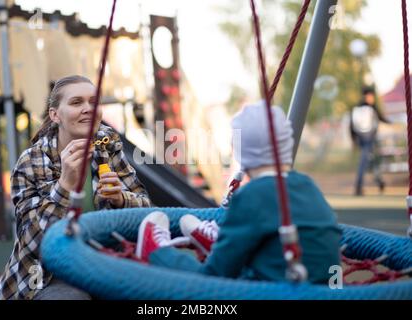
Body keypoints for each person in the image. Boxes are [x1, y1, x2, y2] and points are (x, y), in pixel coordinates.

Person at [136, 101, 342, 284]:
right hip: (322, 287)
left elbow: (218, 273)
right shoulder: (308, 185)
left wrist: (161, 255)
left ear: (241, 151)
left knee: (206, 276)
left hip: (277, 291)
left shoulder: (252, 195)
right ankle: (222, 241)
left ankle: (155, 250)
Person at [0, 75, 151, 300]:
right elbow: (34, 242)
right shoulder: (32, 161)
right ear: (55, 115)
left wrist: (122, 199)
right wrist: (64, 186)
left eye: (93, 101)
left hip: (104, 263)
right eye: (77, 102)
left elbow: (146, 205)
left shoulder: (107, 146)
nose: (88, 108)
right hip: (48, 275)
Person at [350, 86, 389, 196]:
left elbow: (380, 118)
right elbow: (352, 124)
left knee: (373, 162)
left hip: (369, 139)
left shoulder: (364, 107)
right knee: (364, 162)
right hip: (367, 140)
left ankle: (379, 181)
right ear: (367, 96)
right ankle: (359, 186)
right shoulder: (364, 108)